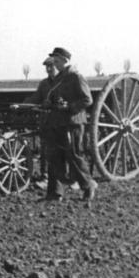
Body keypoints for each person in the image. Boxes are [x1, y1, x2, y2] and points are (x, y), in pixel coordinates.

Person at [43, 47, 98, 203]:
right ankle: (55, 193)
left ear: (65, 60)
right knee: (54, 156)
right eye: (54, 60)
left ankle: (88, 187)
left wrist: (69, 107)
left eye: (57, 60)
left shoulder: (76, 76)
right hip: (58, 122)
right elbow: (55, 97)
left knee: (74, 156)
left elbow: (87, 100)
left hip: (73, 122)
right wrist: (49, 103)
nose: (55, 63)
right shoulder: (59, 78)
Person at [22, 56, 59, 190]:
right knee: (45, 151)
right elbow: (36, 97)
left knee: (65, 151)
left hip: (61, 123)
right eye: (47, 67)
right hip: (47, 123)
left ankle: (68, 179)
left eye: (51, 66)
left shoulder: (64, 82)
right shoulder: (44, 84)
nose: (49, 69)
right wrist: (22, 105)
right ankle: (45, 178)